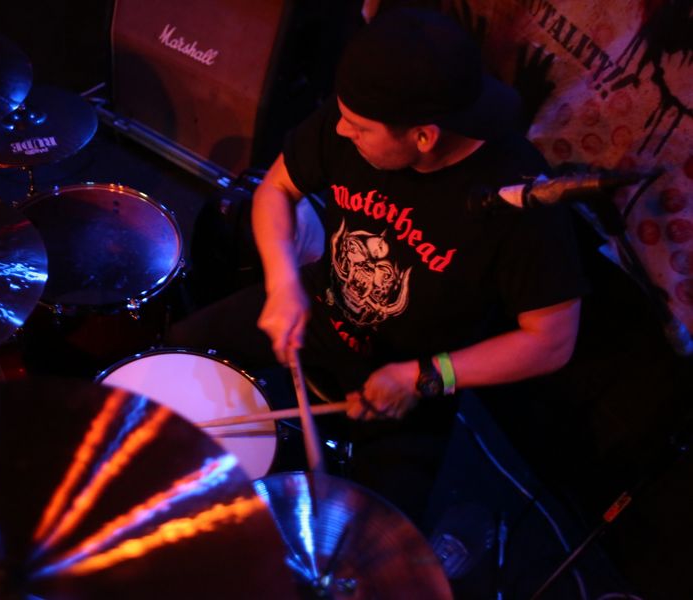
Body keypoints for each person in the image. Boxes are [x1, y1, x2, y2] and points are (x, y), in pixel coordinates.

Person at [169, 7, 586, 521]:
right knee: (174, 357)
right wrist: (282, 283)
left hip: (417, 371)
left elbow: (552, 340)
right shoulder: (356, 114)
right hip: (319, 308)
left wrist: (424, 377)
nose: (341, 130)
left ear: (424, 136)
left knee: (376, 535)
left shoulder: (519, 197)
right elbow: (276, 189)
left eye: (360, 127)